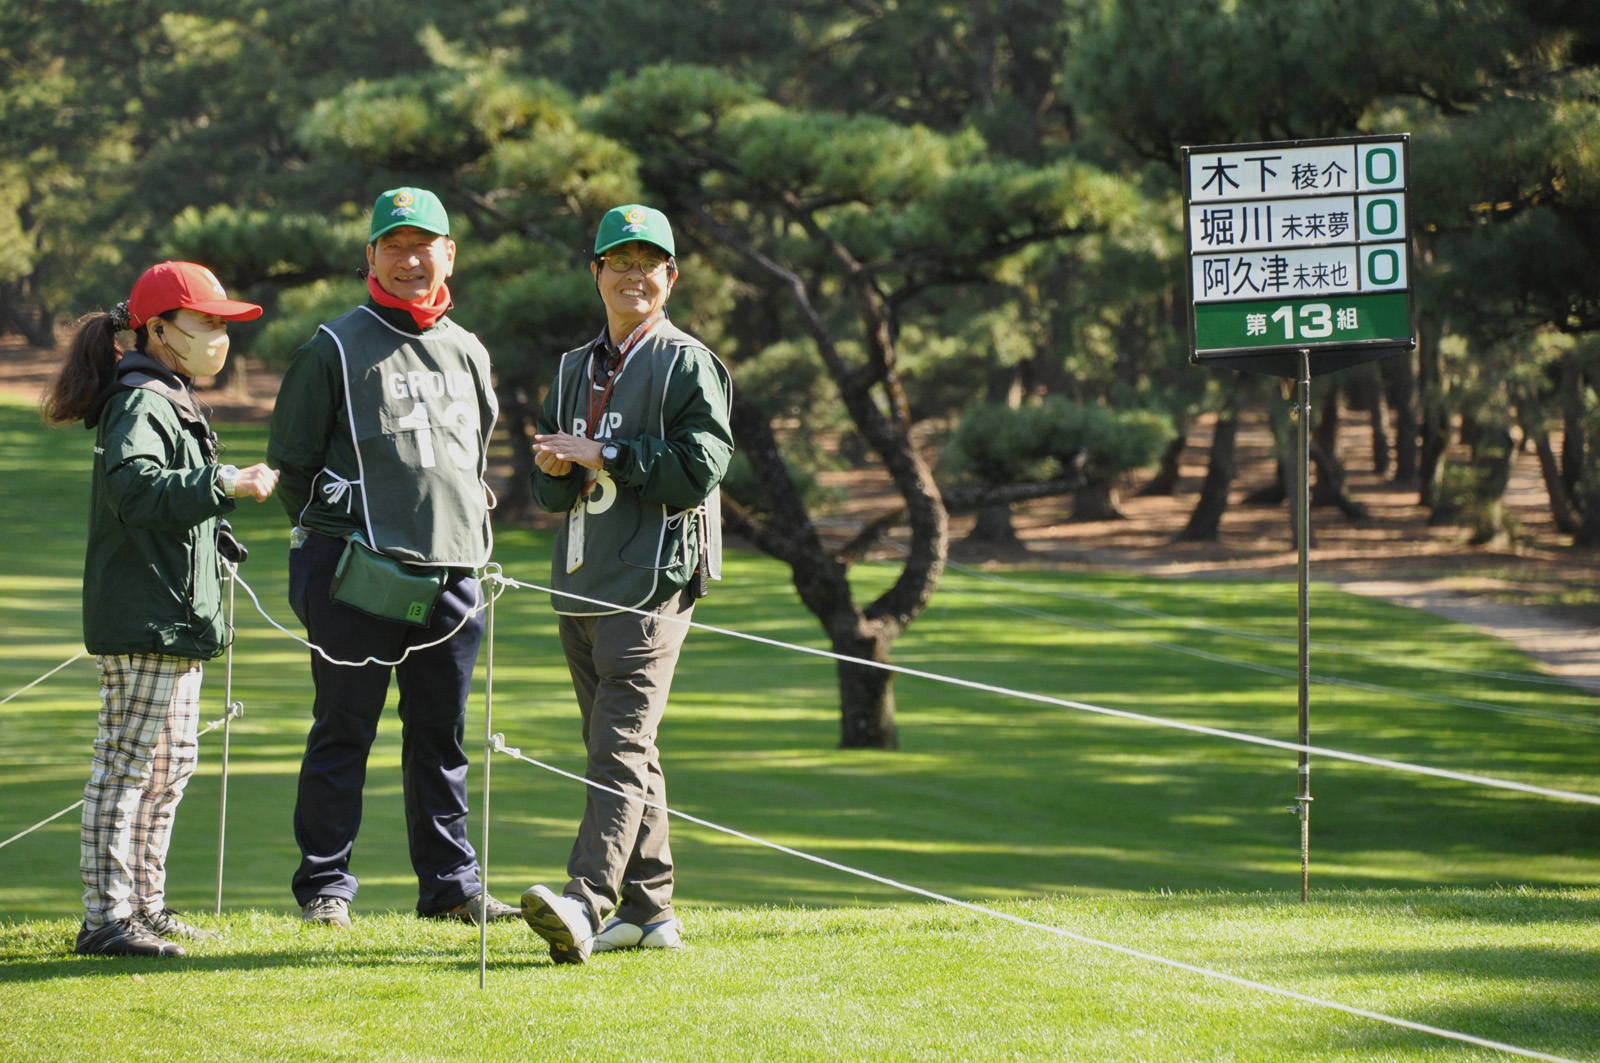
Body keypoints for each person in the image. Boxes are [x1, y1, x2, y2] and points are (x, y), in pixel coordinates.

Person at [267, 187, 517, 927]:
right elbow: (293, 465)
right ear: (371, 256)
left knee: (441, 736)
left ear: (450, 254)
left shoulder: (469, 349)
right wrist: (339, 541)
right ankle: (325, 887)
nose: (410, 260)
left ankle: (451, 888)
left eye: (424, 245)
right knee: (344, 729)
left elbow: (472, 455)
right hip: (355, 574)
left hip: (454, 573)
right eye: (395, 246)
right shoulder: (334, 345)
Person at [42, 261, 278, 957]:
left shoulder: (167, 394)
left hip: (173, 618)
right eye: (205, 322)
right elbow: (136, 488)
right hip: (146, 615)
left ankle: (145, 906)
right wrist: (224, 482)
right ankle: (107, 918)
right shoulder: (142, 400)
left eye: (221, 324)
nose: (219, 336)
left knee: (167, 768)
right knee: (125, 768)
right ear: (158, 329)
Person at [520, 204, 733, 963]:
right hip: (582, 580)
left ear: (671, 277)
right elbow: (550, 491)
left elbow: (701, 468)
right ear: (597, 273)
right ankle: (649, 910)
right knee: (624, 748)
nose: (633, 275)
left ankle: (585, 901)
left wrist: (606, 454)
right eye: (620, 261)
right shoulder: (574, 366)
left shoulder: (687, 362)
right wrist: (556, 468)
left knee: (617, 745)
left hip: (650, 584)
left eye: (649, 263)